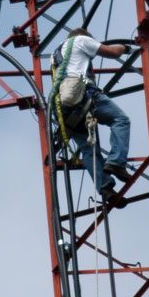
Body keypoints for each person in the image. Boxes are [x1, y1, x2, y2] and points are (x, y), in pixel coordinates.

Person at [52, 27, 131, 207]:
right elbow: (112, 52)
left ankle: (105, 187)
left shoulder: (57, 53)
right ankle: (116, 162)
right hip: (83, 95)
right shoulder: (81, 40)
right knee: (120, 120)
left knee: (88, 149)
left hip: (62, 107)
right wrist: (126, 48)